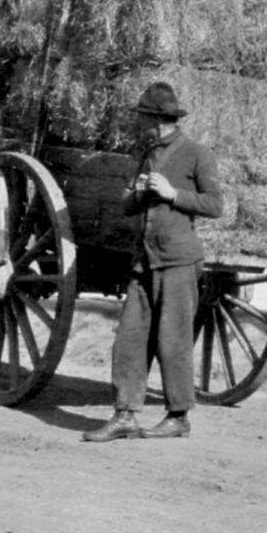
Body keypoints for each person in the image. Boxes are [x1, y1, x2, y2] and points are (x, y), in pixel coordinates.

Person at [83, 81, 224, 442]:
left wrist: (173, 193)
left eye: (142, 117)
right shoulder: (146, 154)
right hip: (144, 261)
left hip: (178, 260)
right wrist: (137, 193)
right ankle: (125, 415)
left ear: (159, 120)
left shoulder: (196, 154)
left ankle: (178, 416)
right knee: (129, 339)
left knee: (172, 340)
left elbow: (215, 205)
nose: (137, 124)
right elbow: (129, 205)